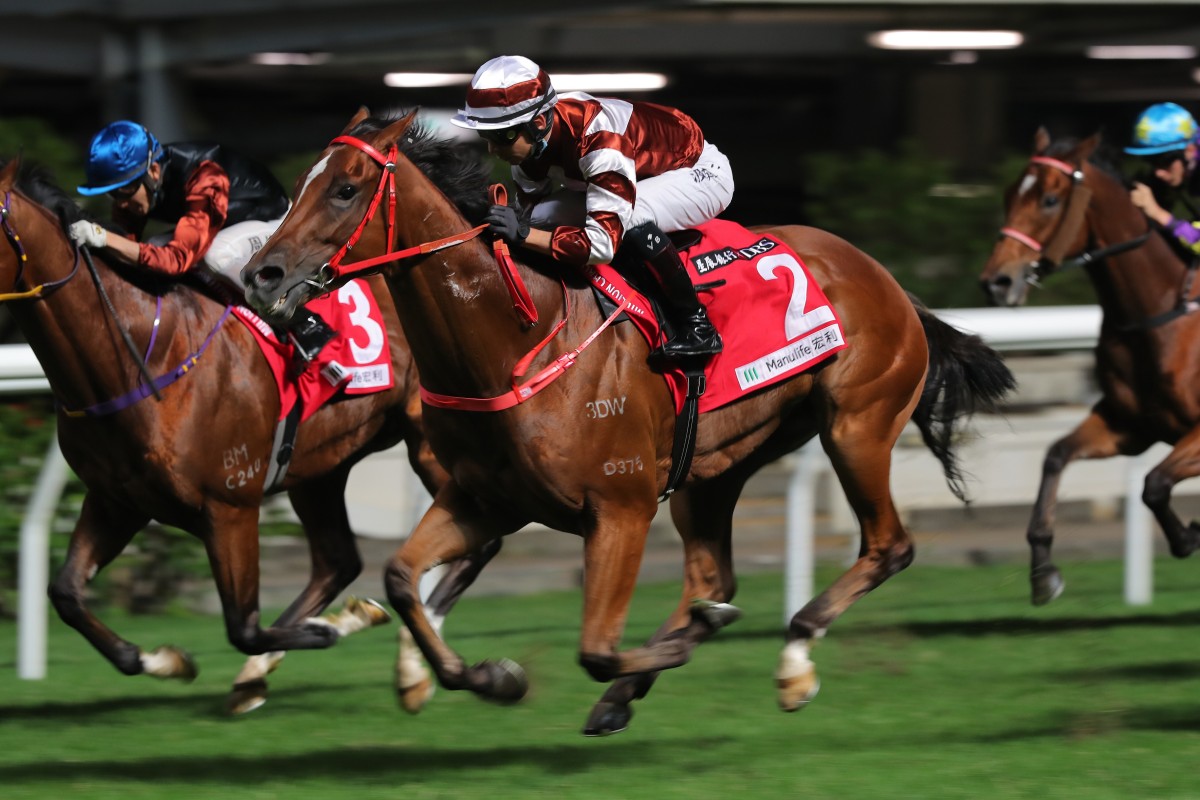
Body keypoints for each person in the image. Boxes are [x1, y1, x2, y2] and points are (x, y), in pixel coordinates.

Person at [449, 55, 733, 359]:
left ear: (539, 123)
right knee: (541, 216)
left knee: (632, 217)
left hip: (699, 173)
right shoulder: (531, 145)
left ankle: (697, 325)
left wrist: (523, 234)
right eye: (485, 136)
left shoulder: (600, 141)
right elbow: (531, 216)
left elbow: (601, 245)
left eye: (501, 136)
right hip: (636, 174)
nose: (493, 149)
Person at [68, 120, 334, 367]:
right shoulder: (139, 188)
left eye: (124, 190)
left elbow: (176, 260)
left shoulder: (205, 175)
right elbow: (127, 246)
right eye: (112, 194)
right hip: (225, 227)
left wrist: (103, 237)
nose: (122, 203)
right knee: (154, 244)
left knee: (217, 256)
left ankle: (304, 323)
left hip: (274, 224)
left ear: (153, 170)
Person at [1127, 102, 1200, 254]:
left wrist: (1158, 213)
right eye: (1150, 161)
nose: (1158, 172)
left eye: (1163, 160)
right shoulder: (1187, 165)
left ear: (1190, 150)